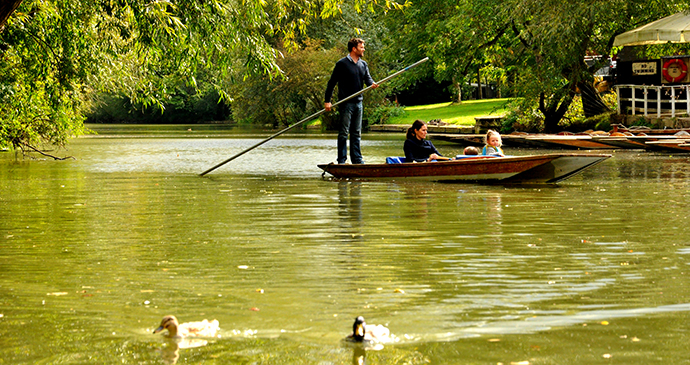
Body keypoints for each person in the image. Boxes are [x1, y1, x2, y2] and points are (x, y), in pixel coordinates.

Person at [324, 38, 378, 164]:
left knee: (356, 133)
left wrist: (372, 84)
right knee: (343, 133)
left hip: (359, 103)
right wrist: (327, 101)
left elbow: (368, 79)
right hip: (345, 103)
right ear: (354, 49)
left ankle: (357, 160)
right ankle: (342, 160)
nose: (364, 49)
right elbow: (331, 83)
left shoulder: (363, 64)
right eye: (361, 47)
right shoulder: (342, 64)